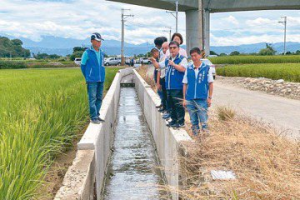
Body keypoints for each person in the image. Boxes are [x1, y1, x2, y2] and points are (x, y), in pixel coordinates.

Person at [183, 47, 214, 135]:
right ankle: (196, 138)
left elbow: (210, 84)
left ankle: (205, 139)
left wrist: (210, 98)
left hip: (202, 99)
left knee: (203, 120)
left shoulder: (206, 68)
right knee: (193, 121)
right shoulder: (188, 68)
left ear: (200, 55)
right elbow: (185, 84)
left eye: (195, 55)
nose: (193, 58)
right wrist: (184, 99)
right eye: (192, 56)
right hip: (190, 99)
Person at [80, 33, 106, 124]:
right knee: (92, 98)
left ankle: (97, 115)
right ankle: (93, 117)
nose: (99, 43)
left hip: (101, 79)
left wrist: (102, 76)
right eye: (97, 41)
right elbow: (82, 66)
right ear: (92, 41)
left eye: (100, 41)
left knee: (99, 98)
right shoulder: (87, 53)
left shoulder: (101, 53)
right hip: (92, 80)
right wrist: (88, 76)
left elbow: (102, 65)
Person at [165, 41, 188, 128]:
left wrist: (174, 64)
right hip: (169, 87)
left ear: (178, 49)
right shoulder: (167, 59)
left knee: (178, 105)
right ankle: (174, 120)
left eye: (174, 48)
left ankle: (180, 122)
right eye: (170, 48)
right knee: (171, 104)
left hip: (177, 87)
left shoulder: (182, 59)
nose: (172, 50)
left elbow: (183, 69)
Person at [152, 42, 169, 115]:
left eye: (166, 48)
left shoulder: (169, 58)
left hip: (168, 79)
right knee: (164, 94)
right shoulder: (163, 57)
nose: (164, 50)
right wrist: (158, 82)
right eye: (163, 48)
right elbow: (159, 68)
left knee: (168, 96)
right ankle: (165, 108)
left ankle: (167, 110)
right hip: (162, 77)